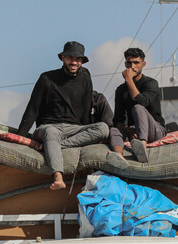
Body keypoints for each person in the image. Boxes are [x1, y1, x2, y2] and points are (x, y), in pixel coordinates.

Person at [17, 41, 110, 190]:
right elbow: (32, 109)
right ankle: (58, 177)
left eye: (78, 59)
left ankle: (53, 146)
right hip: (48, 128)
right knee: (51, 132)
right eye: (70, 58)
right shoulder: (46, 78)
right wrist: (20, 137)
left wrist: (87, 133)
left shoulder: (85, 76)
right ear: (63, 58)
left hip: (74, 129)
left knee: (103, 128)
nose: (74, 62)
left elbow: (86, 107)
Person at [108, 48, 167, 166]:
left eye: (136, 63)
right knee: (114, 130)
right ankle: (119, 156)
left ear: (143, 64)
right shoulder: (121, 90)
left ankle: (142, 148)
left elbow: (143, 102)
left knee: (138, 108)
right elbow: (118, 120)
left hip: (155, 129)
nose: (132, 67)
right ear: (125, 64)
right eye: (129, 63)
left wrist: (129, 79)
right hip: (134, 131)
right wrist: (128, 131)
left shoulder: (151, 83)